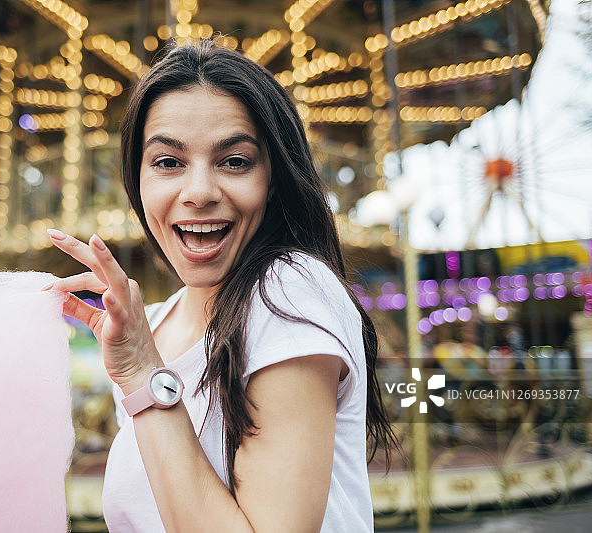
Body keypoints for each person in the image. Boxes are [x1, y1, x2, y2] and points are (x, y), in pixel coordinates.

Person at [43, 39, 395, 532]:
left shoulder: (290, 291)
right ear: (136, 179)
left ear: (273, 178)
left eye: (235, 161)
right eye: (168, 162)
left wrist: (144, 374)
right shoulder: (158, 321)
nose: (200, 192)